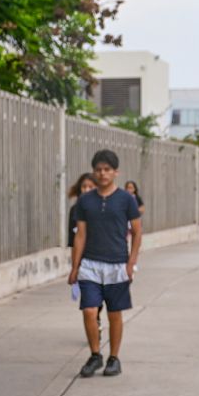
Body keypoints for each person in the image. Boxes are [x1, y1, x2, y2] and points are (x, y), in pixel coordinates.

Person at [68, 150, 142, 378]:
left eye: (107, 170)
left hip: (117, 265)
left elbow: (137, 232)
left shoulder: (126, 199)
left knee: (114, 314)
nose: (103, 174)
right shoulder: (85, 201)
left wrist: (131, 263)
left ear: (115, 172)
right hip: (90, 264)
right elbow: (80, 235)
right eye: (99, 170)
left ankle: (114, 358)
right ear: (94, 171)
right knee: (90, 310)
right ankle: (95, 355)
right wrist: (75, 267)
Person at [68, 174, 100, 331]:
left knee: (101, 298)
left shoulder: (104, 207)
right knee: (89, 299)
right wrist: (74, 266)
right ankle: (95, 321)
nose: (87, 190)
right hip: (84, 259)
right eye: (84, 187)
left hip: (102, 257)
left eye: (90, 187)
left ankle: (97, 318)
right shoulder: (75, 210)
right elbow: (73, 241)